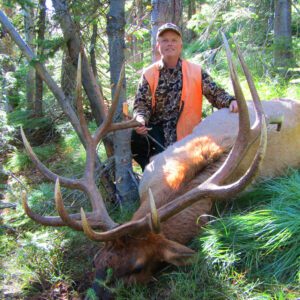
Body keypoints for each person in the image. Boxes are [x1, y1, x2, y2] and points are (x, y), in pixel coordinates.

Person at [131, 23, 238, 170]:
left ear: (180, 45)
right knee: (135, 137)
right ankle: (148, 173)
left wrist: (231, 101)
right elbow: (141, 105)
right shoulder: (149, 74)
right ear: (158, 46)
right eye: (165, 40)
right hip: (158, 137)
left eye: (174, 40)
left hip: (188, 138)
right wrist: (140, 120)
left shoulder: (195, 71)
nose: (169, 44)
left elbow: (216, 93)